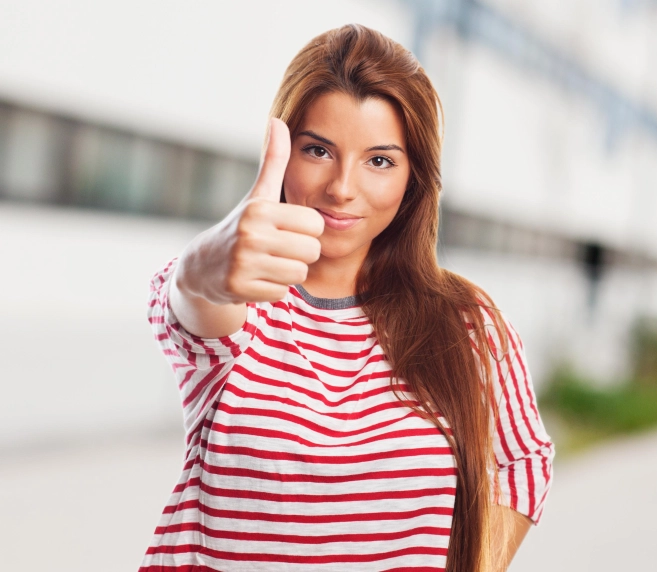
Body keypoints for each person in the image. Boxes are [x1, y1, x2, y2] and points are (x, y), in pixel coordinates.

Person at [139, 24, 554, 572]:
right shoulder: (242, 299)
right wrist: (203, 267)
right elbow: (190, 295)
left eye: (379, 160)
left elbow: (523, 463)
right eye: (317, 150)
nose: (342, 187)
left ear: (414, 179)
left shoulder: (465, 323)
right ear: (282, 152)